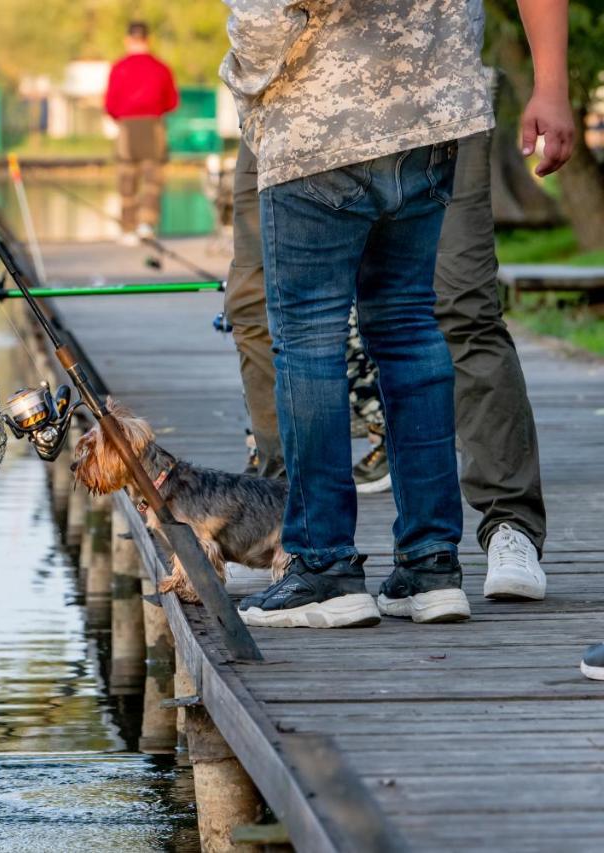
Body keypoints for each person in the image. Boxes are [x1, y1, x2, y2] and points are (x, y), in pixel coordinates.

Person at [221, 0, 572, 629]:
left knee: (310, 340)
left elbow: (270, 14)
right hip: (430, 114)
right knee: (410, 329)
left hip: (321, 119)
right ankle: (430, 567)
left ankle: (324, 568)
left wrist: (245, 74)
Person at [104, 21, 177, 246]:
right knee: (152, 178)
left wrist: (123, 116)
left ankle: (128, 229)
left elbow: (110, 104)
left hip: (127, 126)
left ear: (128, 40)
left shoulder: (119, 67)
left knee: (127, 177)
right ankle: (146, 225)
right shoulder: (161, 67)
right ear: (148, 39)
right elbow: (172, 102)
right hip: (153, 125)